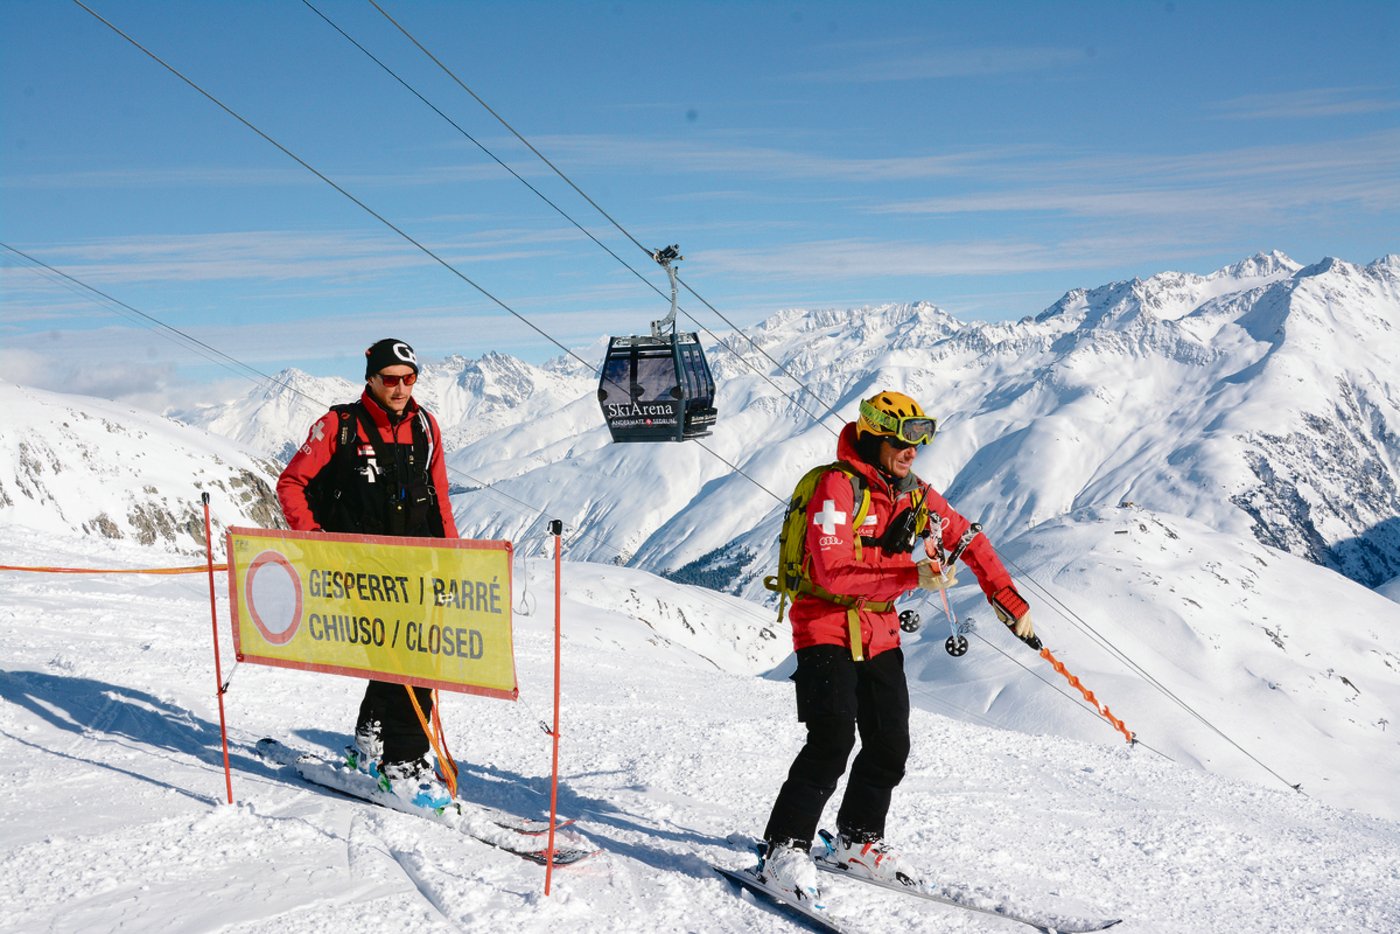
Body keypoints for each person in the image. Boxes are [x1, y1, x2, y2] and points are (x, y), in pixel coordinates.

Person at [760, 389, 1035, 900]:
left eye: (922, 440)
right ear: (874, 436)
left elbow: (966, 538)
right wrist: (912, 573)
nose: (915, 451)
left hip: (880, 630)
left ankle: (857, 839)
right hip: (825, 627)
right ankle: (783, 848)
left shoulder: (912, 492)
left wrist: (1008, 598)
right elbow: (834, 572)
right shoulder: (836, 489)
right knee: (832, 740)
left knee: (890, 743)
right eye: (904, 441)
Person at [276, 338, 460, 809]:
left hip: (415, 567)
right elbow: (292, 483)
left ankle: (371, 742)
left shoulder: (426, 427)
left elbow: (439, 497)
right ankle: (404, 765)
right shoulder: (339, 426)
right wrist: (315, 541)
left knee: (396, 656)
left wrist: (455, 560)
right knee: (409, 659)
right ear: (371, 380)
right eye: (391, 379)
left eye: (409, 378)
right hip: (358, 568)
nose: (401, 388)